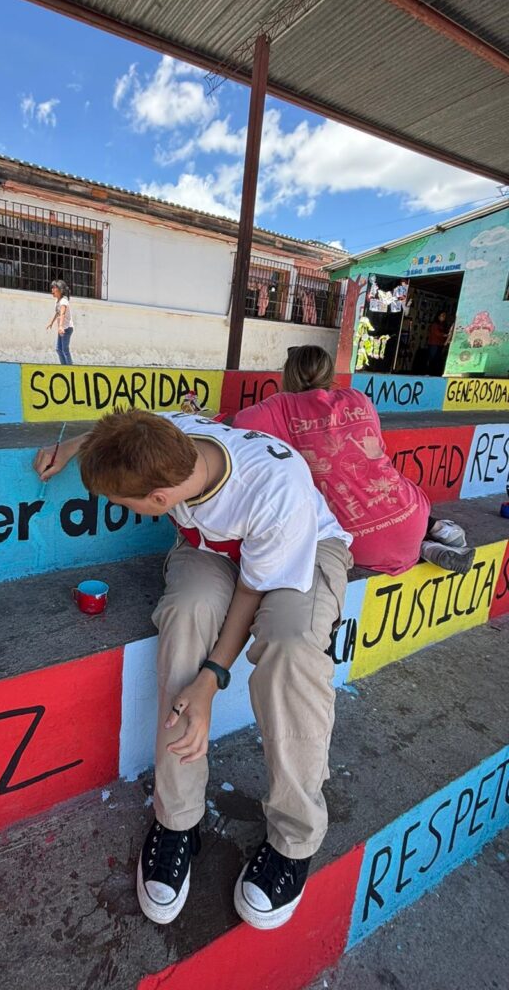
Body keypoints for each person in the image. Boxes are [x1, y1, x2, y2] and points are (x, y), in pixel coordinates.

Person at [34, 408, 353, 930]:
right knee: (186, 615)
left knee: (291, 646)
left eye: (124, 503)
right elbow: (119, 430)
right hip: (215, 548)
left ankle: (294, 840)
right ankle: (177, 819)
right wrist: (71, 448)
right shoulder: (170, 435)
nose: (118, 506)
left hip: (304, 545)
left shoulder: (275, 492)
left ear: (161, 500)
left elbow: (251, 593)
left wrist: (210, 680)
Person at [233, 345, 474, 576]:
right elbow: (377, 449)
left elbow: (239, 423)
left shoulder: (279, 406)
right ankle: (434, 534)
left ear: (288, 374)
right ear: (329, 374)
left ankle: (425, 548)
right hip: (412, 514)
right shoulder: (358, 397)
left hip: (356, 543)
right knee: (383, 485)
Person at [46, 279, 74, 364]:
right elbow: (58, 313)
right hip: (62, 329)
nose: (52, 290)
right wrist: (51, 322)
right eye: (52, 288)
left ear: (61, 290)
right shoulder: (57, 301)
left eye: (54, 288)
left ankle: (70, 368)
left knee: (65, 349)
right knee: (59, 349)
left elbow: (62, 313)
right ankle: (64, 367)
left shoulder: (63, 301)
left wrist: (61, 326)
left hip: (67, 328)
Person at [426, 311, 451, 375]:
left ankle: (434, 373)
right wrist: (445, 335)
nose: (444, 317)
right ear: (438, 316)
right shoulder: (435, 324)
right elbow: (437, 333)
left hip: (440, 344)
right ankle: (429, 373)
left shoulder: (443, 325)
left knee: (437, 360)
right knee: (432, 359)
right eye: (442, 316)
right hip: (434, 344)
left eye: (444, 316)